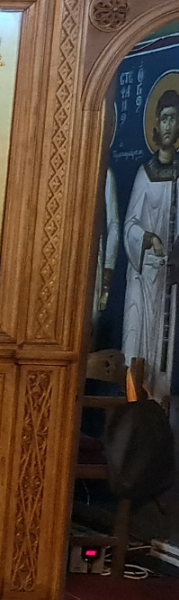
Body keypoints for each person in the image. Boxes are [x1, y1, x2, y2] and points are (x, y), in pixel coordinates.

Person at [119, 89, 179, 398]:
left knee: (163, 353)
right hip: (143, 278)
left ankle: (159, 410)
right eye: (164, 119)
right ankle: (134, 406)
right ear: (156, 124)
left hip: (168, 279)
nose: (169, 126)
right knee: (137, 342)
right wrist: (149, 239)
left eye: (174, 119)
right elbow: (130, 225)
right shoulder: (145, 174)